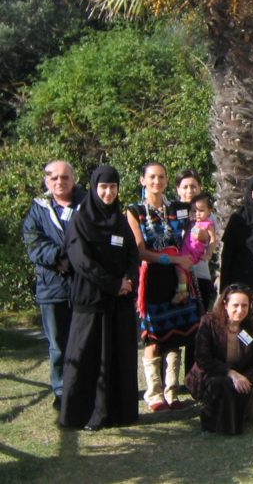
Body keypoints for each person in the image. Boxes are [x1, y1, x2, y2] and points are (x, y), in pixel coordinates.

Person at [59, 165, 139, 430]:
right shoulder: (81, 222)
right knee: (86, 357)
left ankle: (117, 412)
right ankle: (81, 414)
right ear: (94, 188)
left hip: (119, 303)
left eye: (113, 187)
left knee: (118, 357)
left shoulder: (119, 220)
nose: (108, 192)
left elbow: (132, 255)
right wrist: (113, 284)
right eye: (103, 187)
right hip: (91, 301)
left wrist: (128, 281)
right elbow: (81, 261)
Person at [127, 162, 200, 411]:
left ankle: (172, 392)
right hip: (152, 279)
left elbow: (194, 234)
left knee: (177, 334)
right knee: (153, 338)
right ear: (143, 180)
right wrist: (173, 258)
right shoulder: (134, 211)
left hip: (178, 280)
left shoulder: (178, 209)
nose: (156, 181)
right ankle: (154, 393)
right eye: (152, 177)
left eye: (161, 177)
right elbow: (140, 251)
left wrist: (201, 247)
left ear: (167, 181)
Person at [22, 160, 86, 410]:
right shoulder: (38, 209)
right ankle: (61, 390)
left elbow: (93, 237)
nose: (60, 182)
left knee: (83, 341)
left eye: (64, 177)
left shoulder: (87, 205)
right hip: (51, 288)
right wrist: (58, 258)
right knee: (58, 344)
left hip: (83, 285)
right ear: (46, 181)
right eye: (54, 178)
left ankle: (84, 387)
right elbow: (33, 242)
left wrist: (72, 260)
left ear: (74, 178)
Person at [186, 284, 253, 435]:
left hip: (240, 379)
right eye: (235, 305)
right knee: (220, 384)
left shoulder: (252, 329)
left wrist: (246, 380)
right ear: (225, 304)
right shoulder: (209, 323)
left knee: (243, 402)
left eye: (244, 306)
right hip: (211, 375)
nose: (240, 310)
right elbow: (203, 358)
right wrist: (231, 373)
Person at [174, 170, 216, 311]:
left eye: (193, 186)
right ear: (177, 189)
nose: (190, 191)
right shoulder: (170, 212)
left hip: (200, 274)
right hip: (176, 273)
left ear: (200, 188)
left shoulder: (208, 215)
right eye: (185, 187)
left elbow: (211, 239)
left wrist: (204, 237)